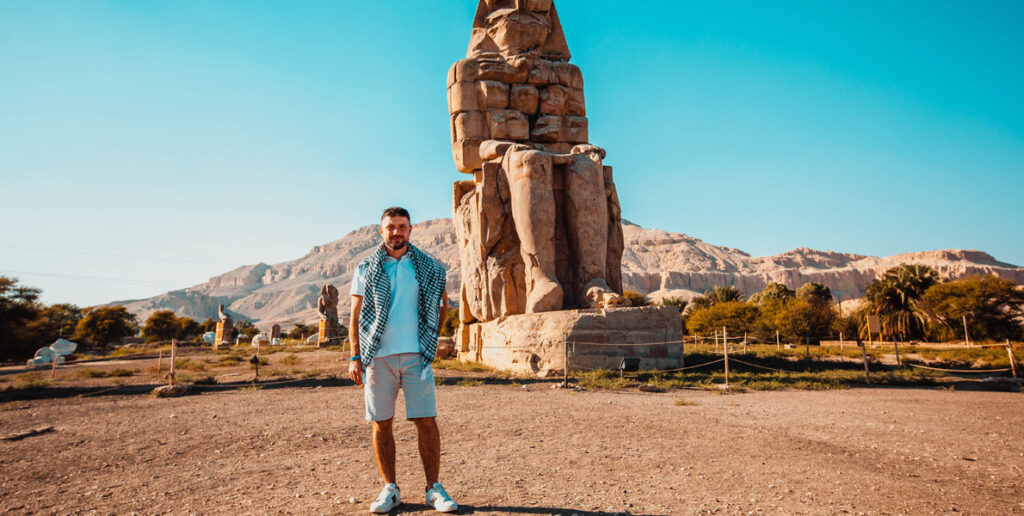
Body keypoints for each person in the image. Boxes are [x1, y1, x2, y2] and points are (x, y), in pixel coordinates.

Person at [348, 206, 457, 514]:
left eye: (402, 226)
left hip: (415, 357)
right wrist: (355, 355)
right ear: (381, 230)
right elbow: (355, 317)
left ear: (411, 230)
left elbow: (443, 304)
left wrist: (431, 339)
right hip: (377, 357)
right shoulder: (365, 268)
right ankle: (390, 488)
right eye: (391, 227)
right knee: (381, 424)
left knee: (426, 421)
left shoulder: (429, 267)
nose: (396, 231)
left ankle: (433, 489)